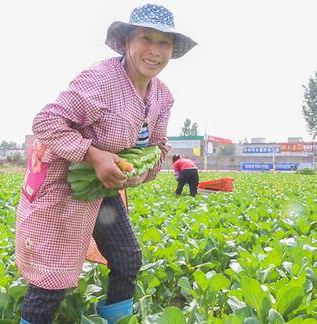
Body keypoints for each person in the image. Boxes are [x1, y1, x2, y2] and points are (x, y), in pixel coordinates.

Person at [16, 4, 196, 323]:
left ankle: (116, 319)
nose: (155, 51)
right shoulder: (100, 81)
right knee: (51, 280)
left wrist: (141, 167)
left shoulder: (162, 96)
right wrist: (93, 154)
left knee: (127, 259)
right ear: (127, 40)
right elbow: (46, 122)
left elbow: (157, 143)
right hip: (64, 189)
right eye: (146, 38)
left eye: (164, 42)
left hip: (102, 190)